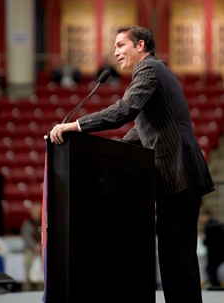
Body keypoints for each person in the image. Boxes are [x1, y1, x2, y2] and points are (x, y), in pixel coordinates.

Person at [49, 26, 214, 303]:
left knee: (179, 258)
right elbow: (139, 133)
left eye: (120, 45)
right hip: (176, 174)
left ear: (140, 45)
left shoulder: (148, 69)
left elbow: (125, 110)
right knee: (174, 258)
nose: (115, 52)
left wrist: (76, 125)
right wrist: (103, 153)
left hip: (179, 172)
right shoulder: (156, 74)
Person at [20, 203, 43, 291]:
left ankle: (41, 289)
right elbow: (26, 236)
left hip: (43, 248)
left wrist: (41, 246)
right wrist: (35, 246)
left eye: (37, 212)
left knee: (42, 268)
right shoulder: (27, 223)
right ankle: (27, 289)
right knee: (28, 262)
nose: (35, 214)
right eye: (33, 212)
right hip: (31, 249)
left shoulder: (45, 223)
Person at [199, 208, 224, 288]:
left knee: (210, 268)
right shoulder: (215, 224)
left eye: (202, 216)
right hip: (219, 250)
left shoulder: (209, 226)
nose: (201, 218)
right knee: (212, 268)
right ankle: (216, 284)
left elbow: (209, 241)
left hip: (214, 252)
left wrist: (203, 240)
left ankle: (215, 285)